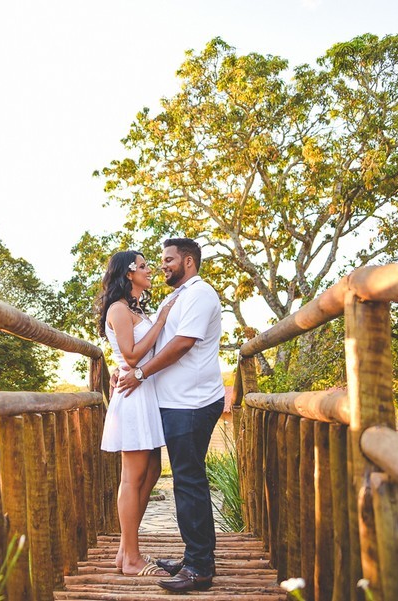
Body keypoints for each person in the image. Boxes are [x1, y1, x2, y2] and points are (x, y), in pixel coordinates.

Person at [116, 237, 225, 593]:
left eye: (168, 259)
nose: (162, 265)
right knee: (184, 480)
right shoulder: (174, 296)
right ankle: (194, 556)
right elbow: (151, 343)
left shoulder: (200, 293)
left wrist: (141, 374)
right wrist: (125, 368)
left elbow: (182, 343)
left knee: (189, 481)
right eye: (159, 261)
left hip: (191, 403)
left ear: (188, 262)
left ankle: (199, 568)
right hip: (172, 402)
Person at [97, 250, 177, 576]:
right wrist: (160, 321)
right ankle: (131, 558)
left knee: (154, 468)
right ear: (128, 273)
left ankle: (123, 550)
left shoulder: (136, 309)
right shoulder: (118, 309)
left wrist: (154, 319)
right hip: (133, 395)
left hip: (146, 394)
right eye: (143, 266)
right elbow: (129, 356)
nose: (149, 271)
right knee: (131, 477)